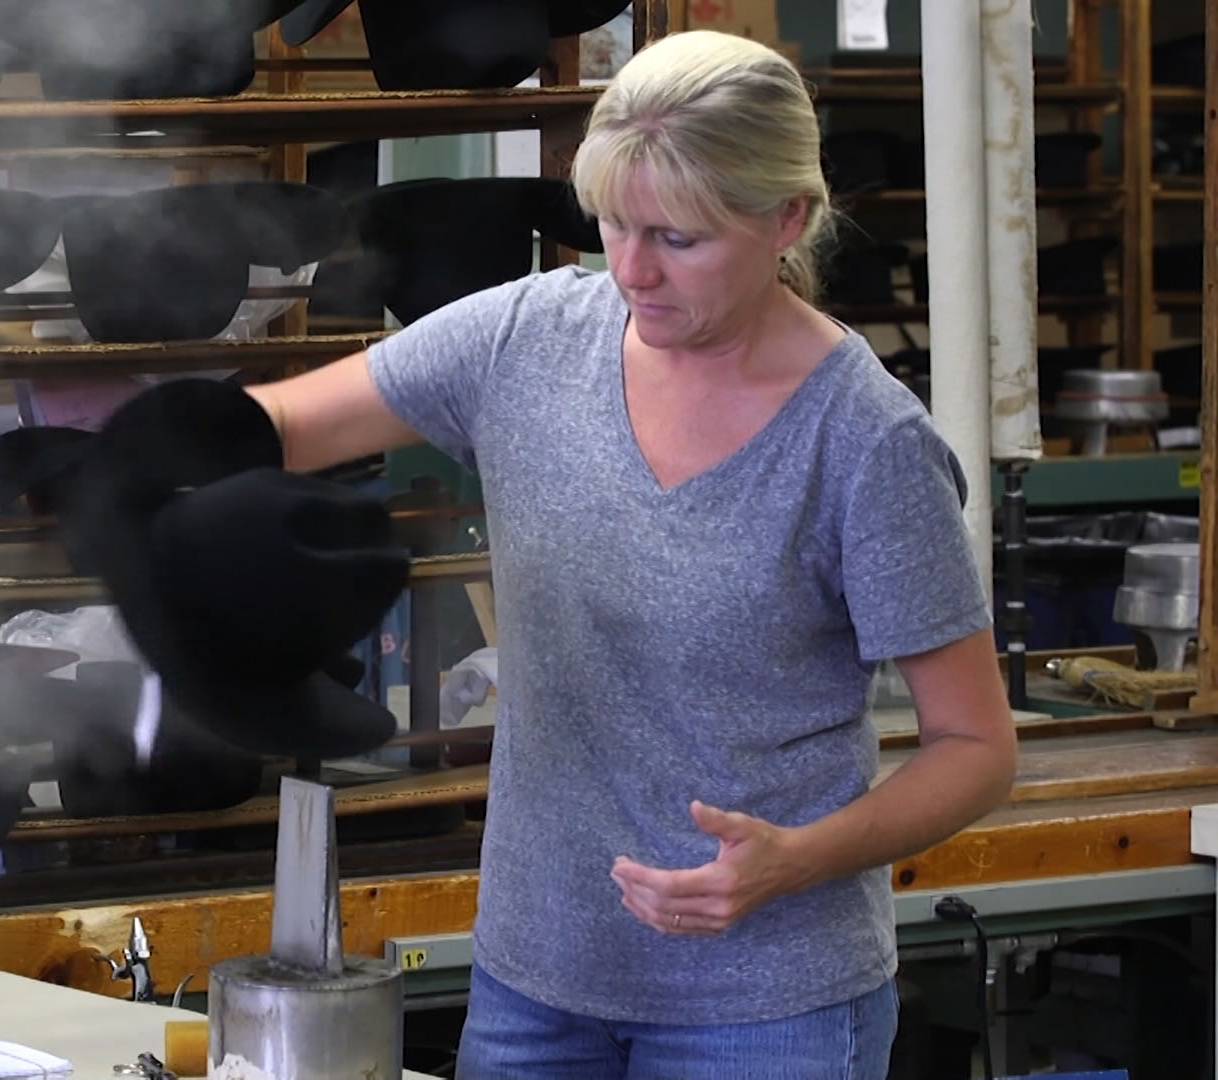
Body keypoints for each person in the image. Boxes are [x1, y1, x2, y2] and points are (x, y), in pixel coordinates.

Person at [244, 30, 1017, 1077]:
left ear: (787, 217)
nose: (632, 270)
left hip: (764, 1009)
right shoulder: (526, 340)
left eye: (678, 238)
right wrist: (126, 472)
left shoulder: (865, 444)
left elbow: (975, 748)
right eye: (611, 224)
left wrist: (792, 863)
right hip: (533, 987)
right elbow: (279, 424)